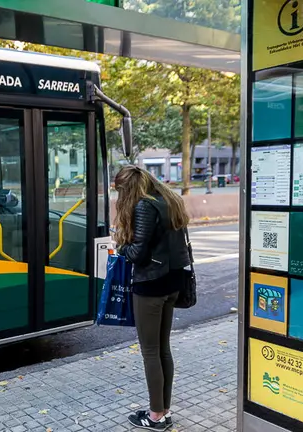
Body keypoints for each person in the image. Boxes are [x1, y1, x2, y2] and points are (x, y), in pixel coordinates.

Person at [113, 165, 191, 431]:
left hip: (152, 284)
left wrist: (120, 245)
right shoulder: (169, 199)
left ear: (128, 188)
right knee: (163, 349)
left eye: (120, 190)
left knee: (150, 352)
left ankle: (156, 415)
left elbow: (138, 254)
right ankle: (164, 410)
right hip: (173, 282)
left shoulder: (144, 207)